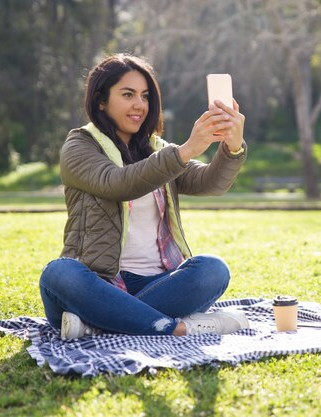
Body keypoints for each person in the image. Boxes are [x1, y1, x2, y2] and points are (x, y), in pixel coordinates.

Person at [39, 53, 249, 339]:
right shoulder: (79, 146)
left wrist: (232, 147)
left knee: (212, 269)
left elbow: (208, 183)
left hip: (160, 282)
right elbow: (118, 183)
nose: (139, 105)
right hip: (98, 284)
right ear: (101, 100)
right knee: (60, 274)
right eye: (128, 94)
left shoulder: (157, 149)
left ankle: (97, 324)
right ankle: (177, 327)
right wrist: (186, 150)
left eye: (145, 96)